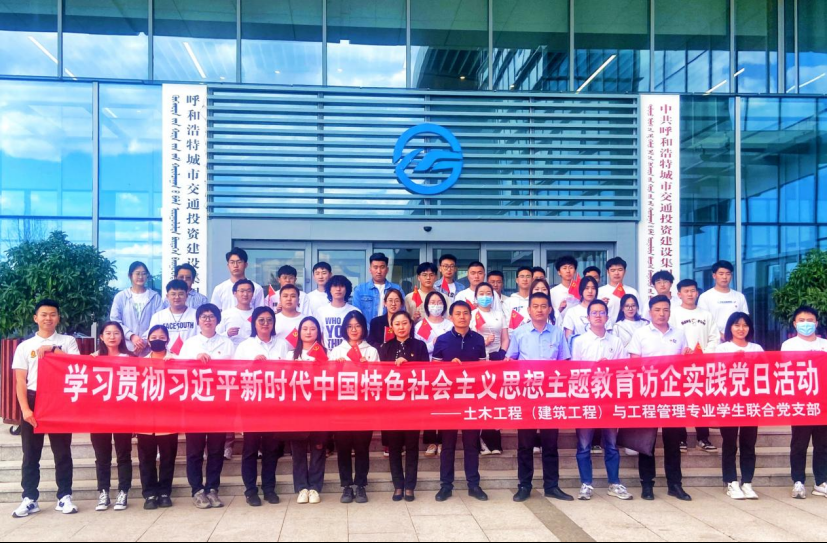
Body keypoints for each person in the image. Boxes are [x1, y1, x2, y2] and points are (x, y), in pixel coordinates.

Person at [12, 299, 80, 518]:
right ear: (36, 318)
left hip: (59, 400)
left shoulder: (68, 341)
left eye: (52, 314)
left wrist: (53, 349)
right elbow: (20, 381)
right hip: (34, 399)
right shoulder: (25, 346)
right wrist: (25, 409)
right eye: (44, 314)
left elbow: (76, 365)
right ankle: (29, 498)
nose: (48, 318)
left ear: (58, 318)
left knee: (62, 452)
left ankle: (64, 496)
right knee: (31, 453)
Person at [506, 293, 573, 503]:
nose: (540, 310)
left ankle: (552, 486)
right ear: (529, 310)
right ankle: (524, 486)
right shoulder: (520, 333)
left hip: (550, 396)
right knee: (525, 444)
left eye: (544, 306)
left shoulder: (557, 333)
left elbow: (565, 363)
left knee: (550, 444)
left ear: (549, 310)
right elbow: (510, 360)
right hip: (527, 396)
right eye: (535, 306)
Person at [628, 295, 691, 502]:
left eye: (665, 310)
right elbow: (634, 364)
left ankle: (675, 484)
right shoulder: (641, 333)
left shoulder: (679, 333)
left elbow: (684, 363)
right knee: (647, 442)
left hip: (672, 394)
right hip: (648, 394)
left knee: (673, 442)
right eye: (657, 310)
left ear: (670, 312)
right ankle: (647, 484)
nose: (661, 314)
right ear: (650, 312)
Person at [570, 300, 632, 501]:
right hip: (587, 398)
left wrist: (609, 367)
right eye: (594, 313)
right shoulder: (580, 341)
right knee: (584, 444)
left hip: (609, 399)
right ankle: (586, 484)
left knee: (611, 444)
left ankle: (614, 483)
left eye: (602, 312)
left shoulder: (615, 341)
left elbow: (624, 369)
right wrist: (594, 367)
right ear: (588, 317)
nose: (598, 316)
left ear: (607, 316)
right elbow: (574, 371)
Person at [178, 304, 236, 509]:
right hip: (195, 404)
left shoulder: (227, 344)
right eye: (204, 316)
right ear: (198, 320)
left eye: (212, 316)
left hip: (219, 405)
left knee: (216, 449)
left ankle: (212, 488)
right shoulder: (190, 344)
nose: (208, 320)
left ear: (218, 320)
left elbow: (235, 371)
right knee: (194, 450)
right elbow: (178, 371)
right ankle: (197, 490)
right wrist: (194, 361)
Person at [432, 301, 489, 503]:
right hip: (448, 400)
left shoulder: (478, 340)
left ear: (470, 317)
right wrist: (449, 367)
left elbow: (483, 369)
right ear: (451, 317)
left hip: (471, 399)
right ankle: (445, 486)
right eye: (458, 313)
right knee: (447, 445)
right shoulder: (442, 340)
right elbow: (433, 371)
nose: (462, 317)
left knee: (471, 444)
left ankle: (473, 484)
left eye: (465, 313)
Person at [235, 307, 288, 507]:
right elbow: (235, 374)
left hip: (274, 404)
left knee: (271, 449)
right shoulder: (245, 346)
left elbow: (289, 371)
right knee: (250, 449)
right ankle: (250, 490)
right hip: (252, 403)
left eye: (269, 320)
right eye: (261, 320)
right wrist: (252, 365)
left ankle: (269, 488)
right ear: (254, 323)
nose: (265, 324)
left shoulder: (282, 344)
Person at [329, 311, 379, 504]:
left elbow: (378, 380)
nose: (354, 330)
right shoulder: (337, 351)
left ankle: (361, 485)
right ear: (344, 329)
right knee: (343, 448)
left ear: (363, 328)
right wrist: (336, 368)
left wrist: (368, 368)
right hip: (341, 408)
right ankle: (346, 486)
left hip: (364, 408)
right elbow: (328, 381)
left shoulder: (371, 351)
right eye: (350, 326)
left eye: (357, 325)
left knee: (361, 448)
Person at [379, 311, 429, 502]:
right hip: (391, 406)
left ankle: (410, 486)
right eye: (397, 324)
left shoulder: (420, 346)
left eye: (405, 323)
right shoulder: (385, 348)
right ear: (392, 327)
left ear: (410, 324)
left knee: (412, 446)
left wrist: (409, 365)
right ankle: (398, 485)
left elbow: (426, 373)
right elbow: (379, 376)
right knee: (394, 447)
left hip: (413, 405)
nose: (401, 327)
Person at [782, 306, 827, 500]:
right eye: (801, 320)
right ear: (794, 323)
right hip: (800, 403)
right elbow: (785, 371)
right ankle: (798, 481)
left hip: (823, 403)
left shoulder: (825, 344)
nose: (806, 323)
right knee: (799, 444)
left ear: (816, 323)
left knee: (822, 444)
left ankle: (821, 481)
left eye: (810, 320)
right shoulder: (789, 345)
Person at [716, 312, 762, 501]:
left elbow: (765, 372)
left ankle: (747, 482)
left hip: (751, 402)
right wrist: (732, 360)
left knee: (748, 443)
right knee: (729, 443)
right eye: (736, 325)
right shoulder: (722, 348)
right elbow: (715, 373)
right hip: (728, 402)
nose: (741, 329)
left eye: (745, 325)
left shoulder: (756, 348)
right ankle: (731, 481)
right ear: (730, 328)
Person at [90, 322, 135, 512]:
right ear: (101, 337)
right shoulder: (92, 359)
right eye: (107, 333)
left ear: (122, 336)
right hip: (98, 415)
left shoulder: (131, 358)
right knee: (102, 456)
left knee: (123, 455)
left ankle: (123, 491)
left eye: (116, 333)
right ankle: (103, 492)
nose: (112, 336)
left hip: (123, 415)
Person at [672, 278, 720, 453]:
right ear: (679, 294)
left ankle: (703, 437)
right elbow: (671, 336)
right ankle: (681, 438)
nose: (690, 294)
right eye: (686, 291)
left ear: (697, 293)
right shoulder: (673, 313)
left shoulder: (706, 314)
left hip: (702, 364)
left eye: (693, 291)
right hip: (680, 364)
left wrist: (705, 354)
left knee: (701, 400)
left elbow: (714, 337)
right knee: (680, 400)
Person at [289, 317, 329, 505]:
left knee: (318, 449)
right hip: (297, 410)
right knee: (298, 451)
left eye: (313, 328)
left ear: (318, 332)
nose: (308, 332)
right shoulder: (291, 354)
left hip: (319, 409)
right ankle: (302, 488)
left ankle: (314, 488)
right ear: (299, 332)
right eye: (304, 328)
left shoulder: (325, 353)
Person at [138, 325, 177, 510]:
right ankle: (149, 494)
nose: (157, 340)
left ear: (167, 339)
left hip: (168, 417)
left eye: (161, 337)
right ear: (148, 340)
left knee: (168, 457)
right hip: (145, 418)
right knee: (147, 458)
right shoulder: (140, 363)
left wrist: (174, 366)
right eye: (153, 337)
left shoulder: (176, 360)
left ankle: (164, 493)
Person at [414, 291, 453, 458]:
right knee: (429, 406)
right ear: (426, 305)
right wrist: (434, 344)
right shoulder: (420, 325)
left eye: (439, 302)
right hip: (427, 369)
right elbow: (419, 348)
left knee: (444, 405)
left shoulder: (450, 325)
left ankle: (443, 440)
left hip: (446, 371)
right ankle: (430, 441)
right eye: (432, 302)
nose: (435, 305)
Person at [110, 261, 163, 355]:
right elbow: (115, 320)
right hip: (126, 348)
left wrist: (143, 341)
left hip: (149, 348)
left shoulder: (155, 297)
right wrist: (132, 336)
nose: (140, 276)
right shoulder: (121, 297)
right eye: (137, 273)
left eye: (144, 273)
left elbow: (159, 321)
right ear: (130, 275)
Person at [697, 260, 749, 339]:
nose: (724, 277)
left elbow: (745, 320)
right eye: (721, 274)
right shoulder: (705, 297)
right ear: (714, 276)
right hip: (713, 340)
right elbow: (703, 321)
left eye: (728, 274)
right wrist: (721, 336)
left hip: (736, 339)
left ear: (731, 276)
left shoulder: (739, 296)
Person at [149, 280, 199, 356]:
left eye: (181, 294)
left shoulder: (196, 315)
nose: (177, 297)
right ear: (167, 296)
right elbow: (152, 339)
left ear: (187, 296)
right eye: (173, 294)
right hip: (165, 359)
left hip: (190, 357)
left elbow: (200, 338)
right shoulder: (158, 316)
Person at [353, 253, 404, 323]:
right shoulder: (360, 289)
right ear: (370, 270)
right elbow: (356, 314)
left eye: (382, 267)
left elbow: (402, 311)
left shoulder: (397, 289)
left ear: (387, 270)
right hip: (367, 329)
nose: (379, 271)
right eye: (375, 267)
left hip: (391, 328)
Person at [314, 275, 360, 351]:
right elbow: (317, 336)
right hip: (327, 355)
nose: (338, 289)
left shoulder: (355, 311)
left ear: (347, 289)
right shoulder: (321, 311)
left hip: (349, 354)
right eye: (335, 286)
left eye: (342, 286)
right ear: (329, 289)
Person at [598, 257, 640, 329]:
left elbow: (639, 312)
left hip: (628, 330)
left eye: (620, 270)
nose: (616, 273)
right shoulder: (600, 291)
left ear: (625, 272)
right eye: (613, 270)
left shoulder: (632, 292)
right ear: (607, 272)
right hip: (606, 330)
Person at [216, 279, 256, 347]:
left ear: (252, 294)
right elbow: (216, 336)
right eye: (242, 291)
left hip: (252, 351)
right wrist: (227, 334)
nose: (245, 294)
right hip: (232, 350)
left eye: (249, 291)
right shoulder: (226, 314)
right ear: (235, 293)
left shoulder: (257, 314)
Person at [562, 276, 599, 340]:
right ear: (581, 290)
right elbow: (568, 338)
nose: (590, 291)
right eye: (586, 288)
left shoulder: (602, 310)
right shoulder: (572, 312)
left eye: (593, 288)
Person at [550, 256, 581, 325]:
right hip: (559, 326)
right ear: (559, 272)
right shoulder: (552, 292)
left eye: (571, 268)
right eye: (564, 268)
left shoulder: (581, 290)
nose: (568, 271)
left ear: (575, 271)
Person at [504, 266, 533, 337]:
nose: (525, 279)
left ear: (532, 280)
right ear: (517, 280)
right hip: (514, 338)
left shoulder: (537, 300)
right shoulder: (508, 302)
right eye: (522, 276)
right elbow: (506, 325)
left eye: (528, 276)